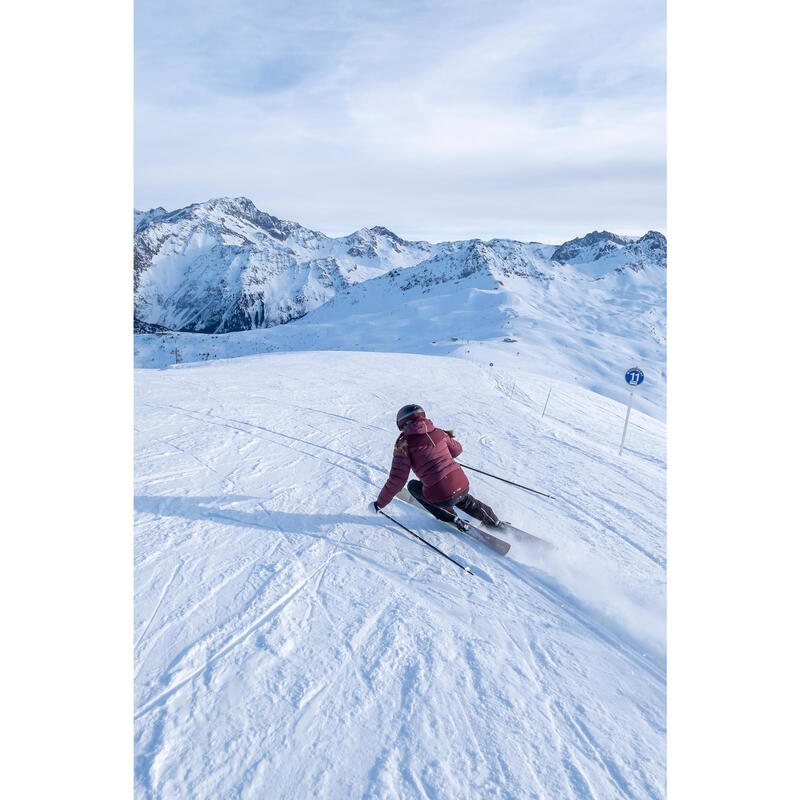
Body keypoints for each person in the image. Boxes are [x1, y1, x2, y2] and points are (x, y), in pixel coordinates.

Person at [372, 404, 502, 531]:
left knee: (414, 486)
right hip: (461, 483)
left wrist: (379, 504)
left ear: (402, 424)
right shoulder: (438, 432)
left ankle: (453, 518)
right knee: (464, 499)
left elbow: (397, 480)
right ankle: (494, 521)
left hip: (440, 493)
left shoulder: (404, 444)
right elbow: (457, 450)